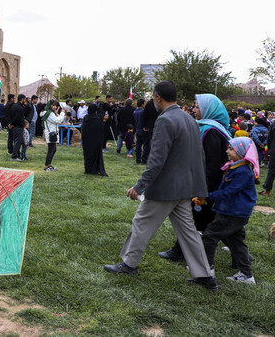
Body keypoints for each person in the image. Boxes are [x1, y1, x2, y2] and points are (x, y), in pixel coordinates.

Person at [104, 81, 216, 291]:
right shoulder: (189, 119)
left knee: (141, 223)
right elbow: (198, 156)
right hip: (185, 188)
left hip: (165, 189)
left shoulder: (165, 120)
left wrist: (139, 186)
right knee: (189, 232)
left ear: (157, 97)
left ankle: (129, 264)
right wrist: (199, 187)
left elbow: (156, 160)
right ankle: (205, 275)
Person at [158, 93, 232, 262]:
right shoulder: (209, 127)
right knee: (212, 220)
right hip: (206, 184)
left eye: (198, 107)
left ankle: (180, 251)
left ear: (209, 110)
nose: (194, 109)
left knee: (192, 218)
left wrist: (201, 188)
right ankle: (239, 253)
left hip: (206, 185)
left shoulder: (212, 132)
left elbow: (212, 165)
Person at [198, 137, 258, 284]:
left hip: (233, 213)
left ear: (241, 152)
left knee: (209, 236)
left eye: (231, 149)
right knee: (236, 242)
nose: (227, 151)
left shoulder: (242, 172)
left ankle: (206, 270)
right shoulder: (234, 167)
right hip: (233, 212)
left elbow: (228, 192)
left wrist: (207, 196)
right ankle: (246, 275)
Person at [81, 103, 107, 176]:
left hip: (87, 140)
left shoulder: (86, 118)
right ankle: (95, 169)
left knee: (87, 155)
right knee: (95, 155)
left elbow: (83, 129)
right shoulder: (98, 119)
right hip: (96, 140)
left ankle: (88, 169)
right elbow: (101, 129)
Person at [41, 100, 63, 171]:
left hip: (52, 133)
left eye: (55, 106)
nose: (54, 107)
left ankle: (49, 165)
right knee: (51, 150)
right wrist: (62, 113)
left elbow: (57, 119)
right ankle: (46, 166)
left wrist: (57, 114)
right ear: (49, 105)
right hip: (51, 133)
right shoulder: (49, 113)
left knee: (53, 150)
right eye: (53, 105)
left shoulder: (51, 113)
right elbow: (58, 120)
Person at [10, 94, 27, 161]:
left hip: (14, 126)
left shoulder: (14, 106)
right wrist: (13, 124)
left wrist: (11, 123)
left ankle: (17, 153)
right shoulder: (20, 108)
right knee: (18, 142)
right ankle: (14, 156)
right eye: (24, 99)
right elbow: (18, 118)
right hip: (18, 126)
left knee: (15, 141)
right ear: (22, 99)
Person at [134, 99, 147, 164]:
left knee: (138, 145)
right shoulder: (143, 112)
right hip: (143, 129)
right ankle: (144, 159)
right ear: (142, 104)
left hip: (137, 129)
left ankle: (138, 159)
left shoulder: (135, 111)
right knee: (145, 145)